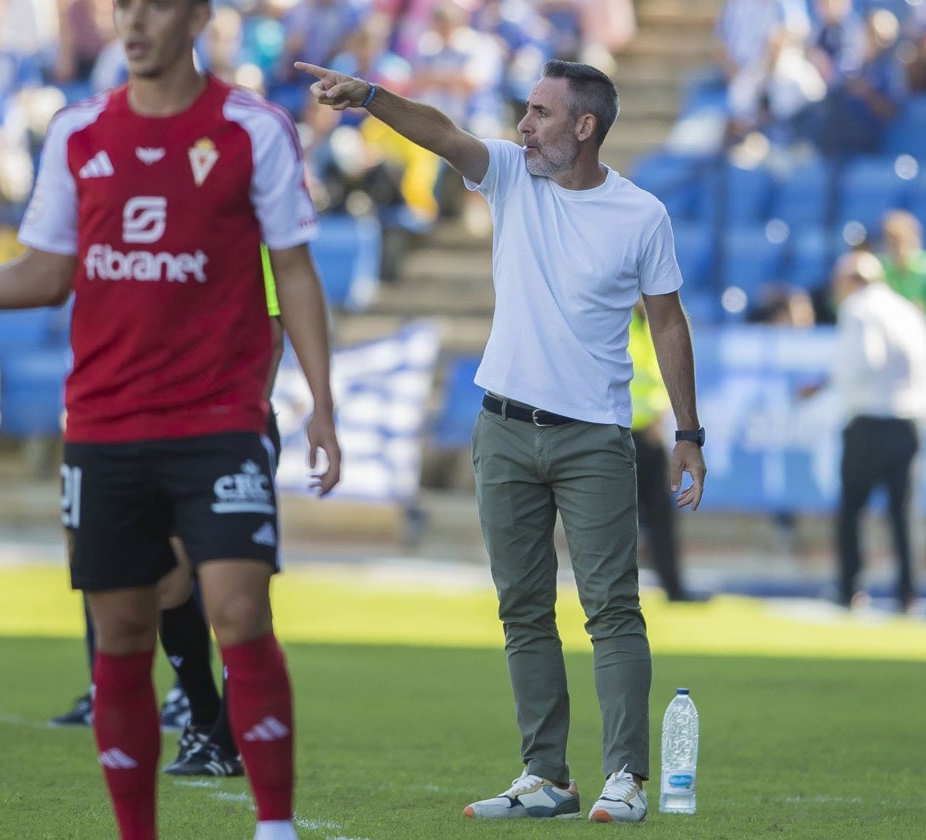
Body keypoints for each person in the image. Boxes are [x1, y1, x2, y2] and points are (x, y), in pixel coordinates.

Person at [0, 0, 342, 837]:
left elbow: (297, 274)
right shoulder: (76, 133)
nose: (132, 24)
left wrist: (320, 404)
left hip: (218, 417)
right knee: (124, 633)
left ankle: (274, 825)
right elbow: (47, 274)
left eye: (155, 6)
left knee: (240, 611)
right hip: (105, 424)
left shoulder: (254, 130)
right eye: (120, 7)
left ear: (198, 16)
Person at [296, 57, 706, 824]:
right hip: (505, 429)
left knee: (611, 609)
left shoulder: (642, 215)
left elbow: (669, 323)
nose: (524, 125)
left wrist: (688, 431)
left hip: (594, 439)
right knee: (522, 609)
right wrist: (373, 98)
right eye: (526, 111)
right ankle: (546, 776)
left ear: (584, 127)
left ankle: (625, 778)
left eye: (541, 113)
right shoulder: (514, 177)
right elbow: (443, 134)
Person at [827, 250, 926, 613]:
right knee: (904, 513)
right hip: (910, 420)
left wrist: (843, 390)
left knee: (851, 510)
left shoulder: (859, 308)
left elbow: (864, 360)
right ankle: (909, 593)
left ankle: (851, 590)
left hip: (870, 419)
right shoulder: (908, 310)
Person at [628, 300, 699, 603]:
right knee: (620, 522)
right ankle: (620, 593)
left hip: (651, 433)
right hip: (621, 433)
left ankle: (674, 588)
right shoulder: (621, 320)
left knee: (661, 518)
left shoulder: (654, 323)